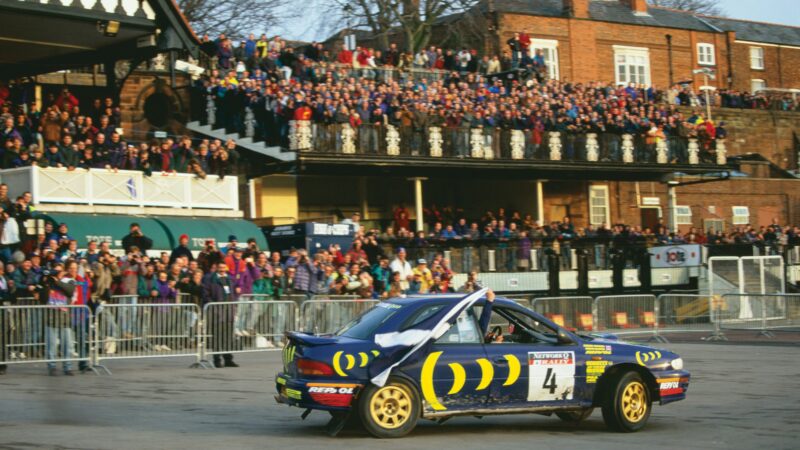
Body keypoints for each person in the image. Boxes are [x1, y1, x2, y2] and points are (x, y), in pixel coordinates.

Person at [202, 262, 239, 368]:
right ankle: (217, 359)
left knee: (228, 336)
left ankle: (228, 359)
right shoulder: (210, 279)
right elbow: (205, 294)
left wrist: (234, 304)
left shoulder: (229, 279)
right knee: (218, 336)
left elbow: (233, 293)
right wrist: (213, 305)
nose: (222, 269)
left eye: (224, 267)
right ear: (217, 268)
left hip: (229, 310)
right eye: (220, 267)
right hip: (218, 310)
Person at [43, 262, 77, 375]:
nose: (57, 273)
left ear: (62, 271)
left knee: (67, 344)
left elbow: (70, 291)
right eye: (55, 271)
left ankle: (67, 366)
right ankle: (51, 366)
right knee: (51, 344)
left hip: (64, 318)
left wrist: (57, 282)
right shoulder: (49, 282)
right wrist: (46, 281)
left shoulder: (69, 280)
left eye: (59, 271)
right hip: (52, 318)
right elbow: (42, 296)